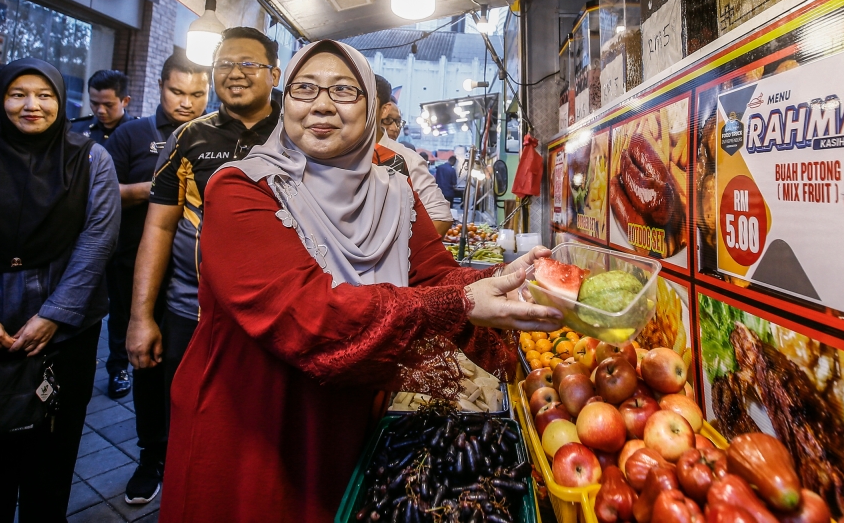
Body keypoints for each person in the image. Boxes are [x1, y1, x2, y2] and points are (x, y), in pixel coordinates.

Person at [159, 40, 561, 521]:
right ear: (285, 102)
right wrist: (458, 304)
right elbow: (305, 314)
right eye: (304, 89)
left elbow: (433, 276)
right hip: (255, 422)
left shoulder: (393, 191)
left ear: (371, 109)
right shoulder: (240, 188)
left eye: (344, 90)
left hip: (347, 420)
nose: (322, 103)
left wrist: (504, 280)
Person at [126, 27, 281, 504]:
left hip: (275, 313)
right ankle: (167, 476)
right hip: (189, 309)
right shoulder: (187, 137)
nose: (235, 73)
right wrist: (139, 317)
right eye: (225, 64)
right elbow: (158, 228)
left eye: (249, 64)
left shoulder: (297, 133)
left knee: (256, 425)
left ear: (275, 74)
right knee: (180, 412)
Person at [0, 58, 120, 520]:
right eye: (18, 94)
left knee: (50, 468)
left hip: (65, 336)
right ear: (1, 99)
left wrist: (55, 313)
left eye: (45, 95)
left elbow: (98, 238)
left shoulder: (91, 158)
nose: (31, 105)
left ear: (60, 100)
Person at [105, 52, 210, 503]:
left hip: (196, 283)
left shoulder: (214, 139)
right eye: (177, 92)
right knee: (148, 369)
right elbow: (100, 195)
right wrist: (163, 188)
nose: (186, 102)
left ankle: (194, 460)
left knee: (196, 379)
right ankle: (150, 458)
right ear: (160, 86)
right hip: (138, 271)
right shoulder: (132, 135)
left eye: (197, 94)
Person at [375, 75, 453, 236]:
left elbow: (440, 217)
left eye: (397, 121)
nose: (395, 128)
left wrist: (401, 255)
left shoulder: (405, 159)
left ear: (382, 109)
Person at [70, 69, 135, 144]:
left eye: (108, 105)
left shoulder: (139, 132)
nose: (101, 110)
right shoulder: (75, 129)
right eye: (95, 103)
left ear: (125, 101)